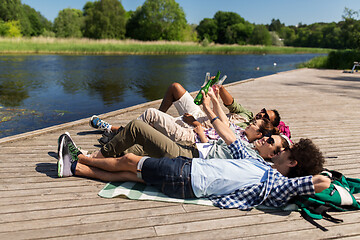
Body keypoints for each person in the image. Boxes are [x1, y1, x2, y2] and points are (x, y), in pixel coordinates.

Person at [57, 127, 328, 210]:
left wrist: (329, 176)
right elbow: (234, 142)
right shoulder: (260, 165)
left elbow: (320, 183)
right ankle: (76, 170)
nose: (279, 152)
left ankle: (80, 157)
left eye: (285, 152)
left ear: (293, 163)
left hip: (187, 177)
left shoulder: (279, 184)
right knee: (129, 174)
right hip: (189, 170)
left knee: (129, 161)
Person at [87, 88, 287, 162]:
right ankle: (119, 138)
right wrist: (215, 94)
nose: (258, 116)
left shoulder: (243, 145)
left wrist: (200, 127)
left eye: (263, 118)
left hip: (197, 141)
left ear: (264, 131)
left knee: (145, 124)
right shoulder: (244, 119)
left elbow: (214, 144)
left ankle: (111, 139)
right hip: (205, 126)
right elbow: (227, 112)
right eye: (261, 113)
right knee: (172, 92)